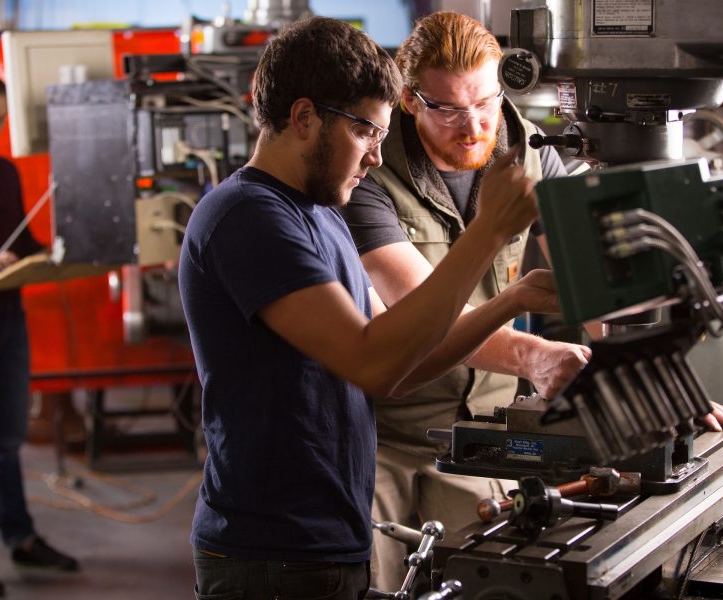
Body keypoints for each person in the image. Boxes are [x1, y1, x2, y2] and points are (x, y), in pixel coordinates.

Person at [339, 11, 723, 591]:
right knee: (379, 584)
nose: (473, 125)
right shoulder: (373, 176)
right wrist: (533, 355)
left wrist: (647, 376)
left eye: (484, 99)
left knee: (489, 577)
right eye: (448, 108)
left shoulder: (532, 152)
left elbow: (591, 284)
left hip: (487, 431)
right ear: (410, 100)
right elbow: (419, 318)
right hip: (386, 437)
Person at [179, 16, 560, 600]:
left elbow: (403, 355)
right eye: (367, 134)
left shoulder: (320, 212)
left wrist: (510, 300)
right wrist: (486, 235)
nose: (378, 159)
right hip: (272, 553)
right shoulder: (249, 217)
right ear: (304, 118)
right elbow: (372, 364)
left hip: (330, 534)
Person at [0, 72, 78, 597]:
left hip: (7, 314)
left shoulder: (8, 172)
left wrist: (55, 250)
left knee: (8, 435)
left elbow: (25, 238)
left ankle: (19, 538)